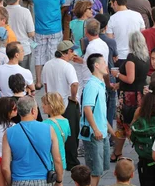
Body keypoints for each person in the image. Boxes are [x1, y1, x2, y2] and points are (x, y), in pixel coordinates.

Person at [1, 96, 64, 186]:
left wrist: (12, 182)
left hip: (19, 180)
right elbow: (57, 159)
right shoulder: (49, 129)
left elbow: (5, 167)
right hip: (43, 180)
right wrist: (59, 181)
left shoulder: (9, 133)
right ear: (33, 111)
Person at [109, 31, 149, 161]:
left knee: (122, 124)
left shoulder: (131, 58)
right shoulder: (145, 57)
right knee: (138, 122)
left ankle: (118, 152)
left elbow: (130, 79)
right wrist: (118, 85)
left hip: (129, 97)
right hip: (140, 93)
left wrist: (117, 75)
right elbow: (137, 79)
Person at [41, 40, 80, 170]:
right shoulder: (67, 66)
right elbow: (74, 84)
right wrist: (73, 97)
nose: (73, 53)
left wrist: (49, 99)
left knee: (53, 133)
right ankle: (71, 162)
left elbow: (45, 85)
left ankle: (55, 157)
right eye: (72, 51)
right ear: (67, 52)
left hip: (52, 103)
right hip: (66, 103)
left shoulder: (47, 65)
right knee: (71, 134)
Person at [80, 54, 114, 186]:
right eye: (104, 63)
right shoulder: (92, 85)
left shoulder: (100, 84)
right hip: (95, 135)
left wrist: (111, 131)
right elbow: (87, 109)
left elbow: (100, 113)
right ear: (97, 66)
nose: (107, 66)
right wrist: (95, 129)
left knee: (98, 170)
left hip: (101, 133)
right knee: (94, 170)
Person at [32, 0, 65, 90]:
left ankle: (39, 81)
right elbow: (62, 3)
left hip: (40, 27)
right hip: (55, 27)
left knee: (39, 54)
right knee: (53, 55)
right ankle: (52, 80)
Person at [107, 0, 145, 65]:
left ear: (115, 2)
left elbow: (110, 41)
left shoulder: (112, 19)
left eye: (111, 3)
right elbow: (143, 35)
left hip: (119, 56)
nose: (111, 6)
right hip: (136, 54)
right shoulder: (138, 15)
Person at [41, 92, 70, 171]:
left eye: (45, 104)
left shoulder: (44, 124)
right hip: (62, 160)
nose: (42, 106)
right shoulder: (66, 121)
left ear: (52, 105)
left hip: (48, 162)